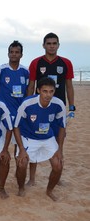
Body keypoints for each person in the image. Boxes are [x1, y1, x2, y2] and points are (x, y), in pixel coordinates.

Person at [26, 32, 75, 186]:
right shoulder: (36, 63)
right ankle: (32, 179)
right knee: (34, 140)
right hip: (38, 109)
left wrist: (71, 107)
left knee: (58, 141)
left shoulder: (66, 63)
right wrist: (28, 104)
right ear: (43, 45)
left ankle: (57, 177)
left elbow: (69, 86)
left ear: (58, 45)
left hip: (57, 110)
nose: (52, 46)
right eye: (49, 43)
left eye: (54, 43)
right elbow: (31, 85)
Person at [14, 77, 66, 201]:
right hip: (29, 137)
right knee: (22, 163)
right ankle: (21, 188)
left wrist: (60, 149)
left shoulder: (59, 104)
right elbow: (15, 126)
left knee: (58, 165)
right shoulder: (27, 103)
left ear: (54, 91)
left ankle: (49, 191)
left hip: (48, 137)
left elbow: (62, 127)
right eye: (45, 91)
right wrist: (21, 148)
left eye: (51, 91)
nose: (48, 95)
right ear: (38, 90)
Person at [0, 40, 29, 156]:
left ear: (21, 55)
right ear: (8, 54)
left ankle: (18, 172)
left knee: (18, 147)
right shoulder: (1, 69)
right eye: (11, 52)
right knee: (1, 147)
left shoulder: (25, 71)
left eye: (17, 52)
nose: (14, 54)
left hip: (19, 114)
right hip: (4, 114)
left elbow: (28, 90)